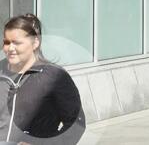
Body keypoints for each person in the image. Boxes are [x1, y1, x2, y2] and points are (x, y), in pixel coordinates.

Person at [0, 14, 85, 143]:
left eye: (17, 43)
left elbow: (76, 124)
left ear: (35, 43)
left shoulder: (54, 76)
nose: (10, 48)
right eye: (6, 42)